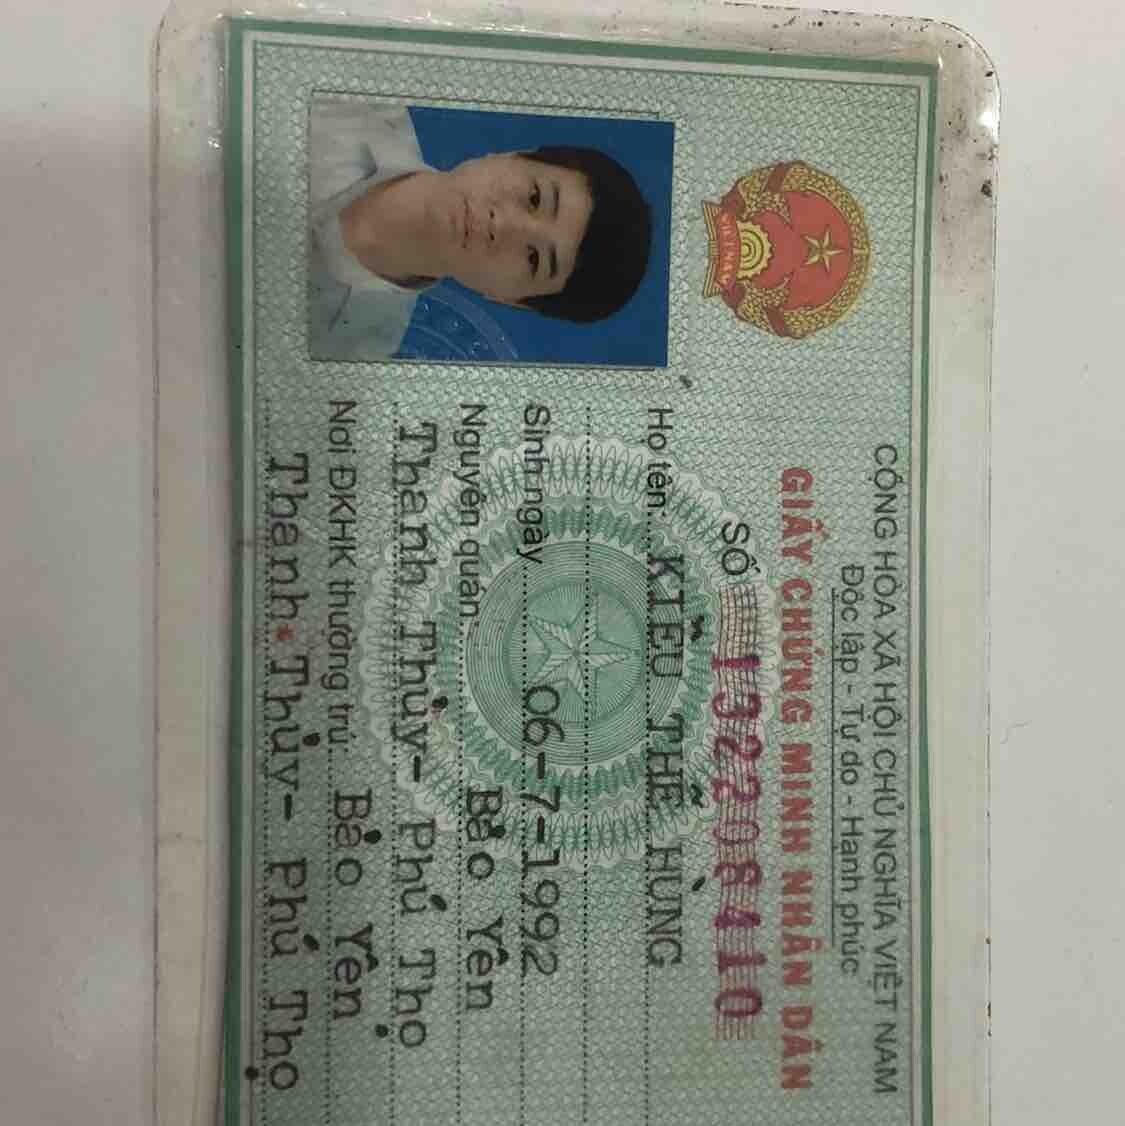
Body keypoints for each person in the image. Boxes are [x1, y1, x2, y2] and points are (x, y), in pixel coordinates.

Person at [308, 96, 653, 360]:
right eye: (534, 197)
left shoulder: (352, 353)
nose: (502, 224)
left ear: (511, 301)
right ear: (512, 154)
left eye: (533, 259)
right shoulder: (350, 98)